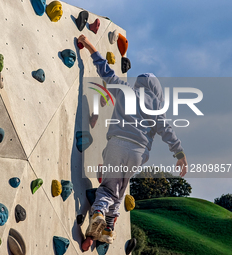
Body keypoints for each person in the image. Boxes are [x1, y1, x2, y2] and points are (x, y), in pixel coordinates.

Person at [77, 35, 188, 247]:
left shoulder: (125, 88)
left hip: (117, 143)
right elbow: (166, 130)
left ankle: (99, 211)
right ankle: (108, 227)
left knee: (109, 188)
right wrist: (180, 154)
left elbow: (105, 70)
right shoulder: (155, 105)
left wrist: (90, 45)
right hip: (138, 153)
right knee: (121, 188)